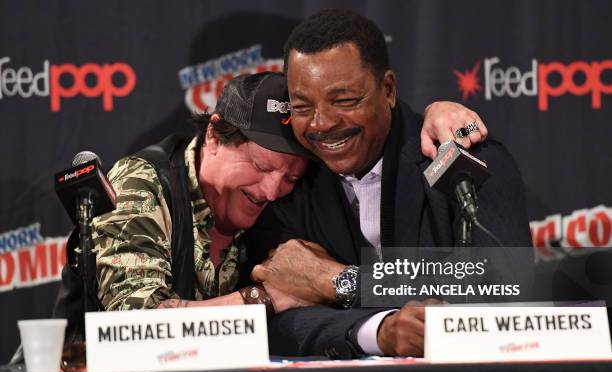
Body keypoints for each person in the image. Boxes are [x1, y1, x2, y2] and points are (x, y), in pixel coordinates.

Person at [244, 9, 533, 358]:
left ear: (389, 90)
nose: (321, 124)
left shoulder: (462, 159)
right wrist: (377, 333)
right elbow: (277, 320)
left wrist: (342, 282)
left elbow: (503, 288)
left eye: (344, 100)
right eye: (303, 107)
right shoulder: (291, 181)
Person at [91, 70, 480, 316]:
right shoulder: (142, 181)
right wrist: (268, 299)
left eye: (291, 177)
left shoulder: (293, 199)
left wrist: (434, 112)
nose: (274, 190)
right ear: (213, 134)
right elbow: (133, 325)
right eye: (260, 167)